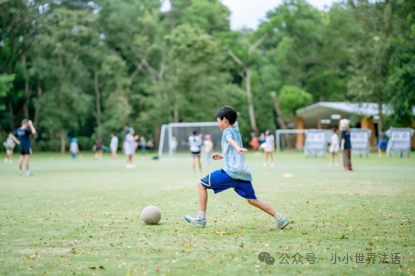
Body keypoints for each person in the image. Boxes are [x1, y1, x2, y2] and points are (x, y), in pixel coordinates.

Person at [184, 106, 290, 229]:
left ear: (224, 120)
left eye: (218, 120)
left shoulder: (227, 132)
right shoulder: (236, 132)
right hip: (242, 174)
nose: (218, 124)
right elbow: (233, 151)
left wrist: (237, 147)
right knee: (252, 200)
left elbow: (230, 141)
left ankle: (201, 219)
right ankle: (280, 218)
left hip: (231, 172)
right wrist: (222, 156)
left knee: (201, 184)